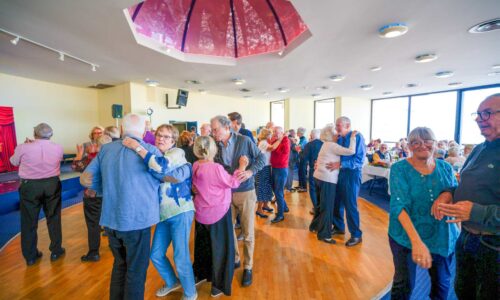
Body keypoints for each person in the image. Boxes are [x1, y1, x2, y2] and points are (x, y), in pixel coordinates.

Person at [81, 113, 163, 300]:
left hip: (111, 219)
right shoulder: (150, 150)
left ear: (123, 129)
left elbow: (85, 179)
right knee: (136, 270)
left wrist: (102, 189)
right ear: (143, 130)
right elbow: (164, 174)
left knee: (119, 265)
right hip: (137, 220)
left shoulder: (106, 150)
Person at [433, 93, 500, 300]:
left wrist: (475, 211)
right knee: (464, 290)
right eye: (478, 114)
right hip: (467, 238)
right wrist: (448, 194)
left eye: (487, 113)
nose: (480, 119)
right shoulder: (479, 148)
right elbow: (464, 184)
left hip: (494, 246)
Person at [122, 124, 197, 299]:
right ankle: (172, 282)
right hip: (163, 215)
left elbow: (160, 167)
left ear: (173, 141)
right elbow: (160, 172)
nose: (161, 138)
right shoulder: (155, 154)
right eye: (159, 135)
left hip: (181, 211)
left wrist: (136, 147)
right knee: (155, 254)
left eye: (165, 136)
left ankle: (190, 293)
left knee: (180, 256)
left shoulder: (176, 153)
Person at [388, 127, 459, 299]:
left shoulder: (445, 167)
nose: (422, 145)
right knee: (403, 285)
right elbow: (399, 206)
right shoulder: (399, 169)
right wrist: (417, 243)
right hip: (406, 236)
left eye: (428, 141)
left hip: (441, 235)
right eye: (415, 142)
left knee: (442, 284)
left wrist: (446, 194)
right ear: (409, 146)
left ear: (435, 144)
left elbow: (454, 190)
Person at [210, 115, 265, 287]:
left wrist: (249, 172)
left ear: (227, 127)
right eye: (212, 130)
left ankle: (248, 266)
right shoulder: (215, 145)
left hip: (246, 192)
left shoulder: (244, 140)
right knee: (229, 229)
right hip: (226, 193)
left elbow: (261, 159)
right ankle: (235, 258)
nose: (213, 132)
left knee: (247, 232)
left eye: (215, 129)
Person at [191, 135, 247, 297]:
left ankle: (201, 274)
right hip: (218, 212)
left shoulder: (195, 165)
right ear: (213, 149)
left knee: (204, 246)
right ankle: (218, 286)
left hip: (201, 212)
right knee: (221, 249)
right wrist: (242, 166)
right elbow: (233, 182)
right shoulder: (215, 168)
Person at [10, 123, 64, 266]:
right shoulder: (58, 147)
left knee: (29, 221)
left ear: (34, 134)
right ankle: (56, 250)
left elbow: (13, 161)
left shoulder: (23, 147)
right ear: (51, 135)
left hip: (30, 186)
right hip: (52, 184)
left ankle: (31, 256)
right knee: (54, 218)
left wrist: (25, 146)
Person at [310, 125, 357, 244]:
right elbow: (351, 151)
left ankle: (315, 226)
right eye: (336, 133)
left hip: (318, 177)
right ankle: (324, 234)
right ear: (331, 135)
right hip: (327, 179)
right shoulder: (332, 145)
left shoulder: (325, 144)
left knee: (321, 205)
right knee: (327, 207)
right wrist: (352, 138)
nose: (338, 134)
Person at [73, 134, 111, 262]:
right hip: (110, 195)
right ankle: (113, 245)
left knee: (93, 225)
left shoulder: (93, 158)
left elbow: (82, 175)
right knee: (110, 222)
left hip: (94, 195)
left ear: (97, 145)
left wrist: (79, 155)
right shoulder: (114, 158)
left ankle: (94, 252)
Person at [331, 116, 366, 247]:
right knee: (336, 202)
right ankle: (339, 227)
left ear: (347, 125)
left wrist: (341, 164)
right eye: (336, 125)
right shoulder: (340, 138)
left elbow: (359, 160)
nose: (336, 127)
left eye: (338, 125)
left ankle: (356, 235)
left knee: (350, 205)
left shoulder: (357, 137)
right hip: (339, 174)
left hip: (352, 174)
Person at [269, 126, 291, 223]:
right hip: (275, 167)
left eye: (277, 132)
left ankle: (280, 214)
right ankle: (284, 207)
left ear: (282, 133)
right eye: (274, 132)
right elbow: (271, 147)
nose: (274, 133)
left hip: (281, 169)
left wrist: (278, 141)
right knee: (275, 189)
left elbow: (277, 150)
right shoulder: (276, 139)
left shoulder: (285, 140)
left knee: (278, 191)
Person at [255, 128, 274, 218]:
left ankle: (265, 205)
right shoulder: (263, 143)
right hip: (262, 168)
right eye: (270, 134)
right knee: (262, 187)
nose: (271, 136)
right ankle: (259, 209)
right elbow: (273, 148)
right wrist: (281, 139)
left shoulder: (264, 142)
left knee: (267, 186)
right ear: (267, 135)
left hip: (266, 167)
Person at [303, 129, 323, 214]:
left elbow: (304, 158)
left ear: (311, 135)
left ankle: (316, 208)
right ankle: (321, 207)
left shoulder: (309, 145)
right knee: (321, 189)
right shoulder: (324, 144)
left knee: (313, 189)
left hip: (313, 169)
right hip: (323, 170)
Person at [296, 127, 308, 192]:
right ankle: (300, 185)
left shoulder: (304, 140)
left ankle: (304, 187)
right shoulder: (301, 139)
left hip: (303, 158)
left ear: (300, 133)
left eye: (297, 132)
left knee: (302, 172)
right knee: (300, 172)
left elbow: (298, 148)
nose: (297, 133)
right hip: (301, 157)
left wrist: (294, 144)